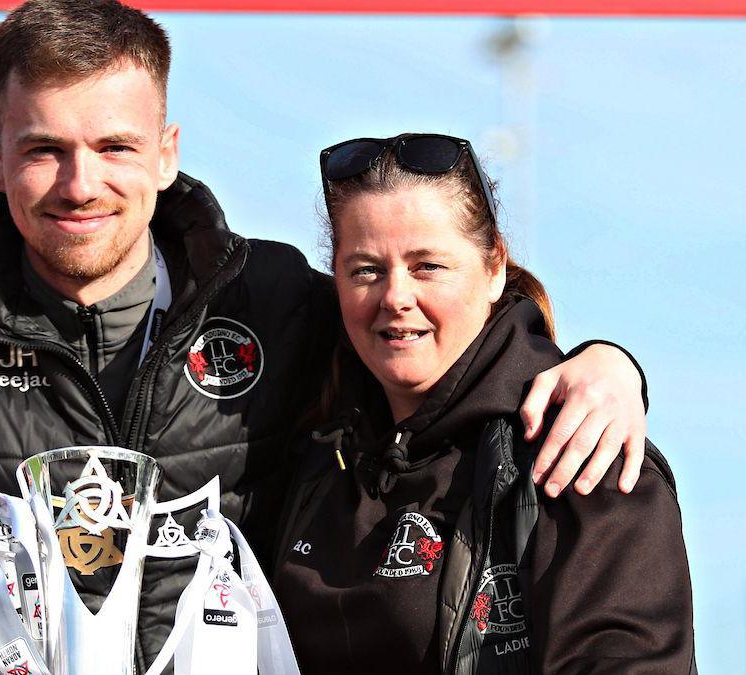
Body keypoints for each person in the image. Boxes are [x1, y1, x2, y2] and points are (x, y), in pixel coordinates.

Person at [0, 1, 650, 669]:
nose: (80, 183)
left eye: (113, 145)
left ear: (166, 149)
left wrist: (597, 365)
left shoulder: (274, 297)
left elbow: (429, 328)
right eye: (44, 149)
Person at [274, 134, 694, 674]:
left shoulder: (582, 450)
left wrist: (616, 365)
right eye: (366, 270)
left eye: (428, 266)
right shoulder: (311, 442)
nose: (396, 296)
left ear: (494, 265)